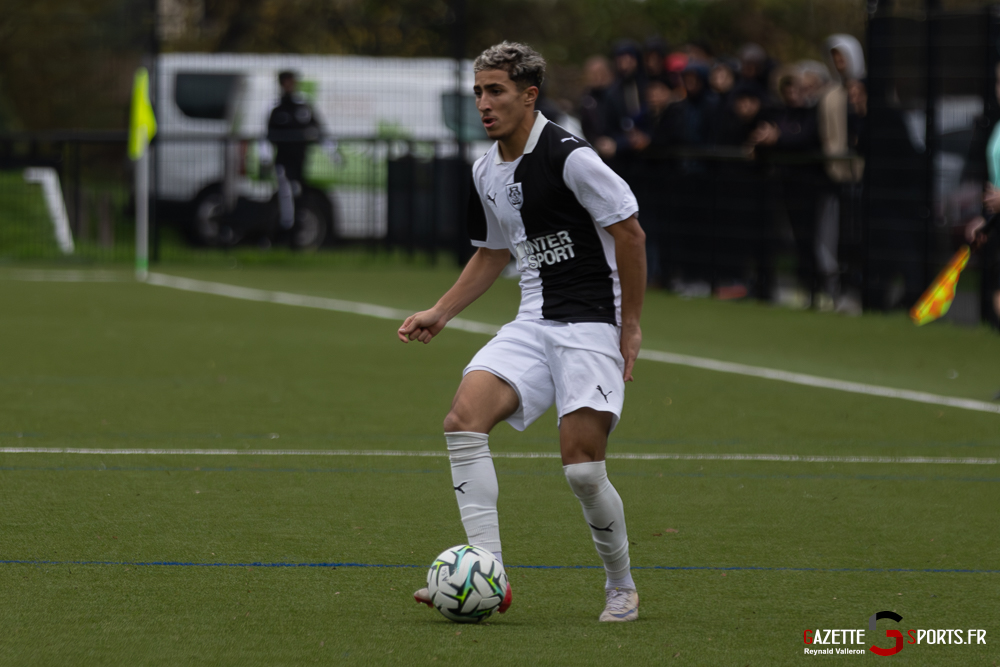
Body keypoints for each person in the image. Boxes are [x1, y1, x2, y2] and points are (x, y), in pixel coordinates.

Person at [399, 41, 647, 622]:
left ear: (528, 95)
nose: (484, 104)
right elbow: (492, 252)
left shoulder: (569, 157)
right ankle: (487, 573)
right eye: (479, 92)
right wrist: (442, 310)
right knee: (463, 420)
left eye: (496, 92)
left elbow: (630, 234)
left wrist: (629, 325)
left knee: (583, 470)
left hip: (590, 323)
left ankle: (622, 585)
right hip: (534, 320)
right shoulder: (486, 169)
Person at [265, 71, 329, 232]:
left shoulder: (304, 107)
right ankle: (286, 227)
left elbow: (318, 129)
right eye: (286, 82)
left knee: (300, 193)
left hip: (301, 160)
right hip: (283, 160)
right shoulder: (277, 109)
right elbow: (268, 136)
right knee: (285, 193)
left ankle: (296, 226)